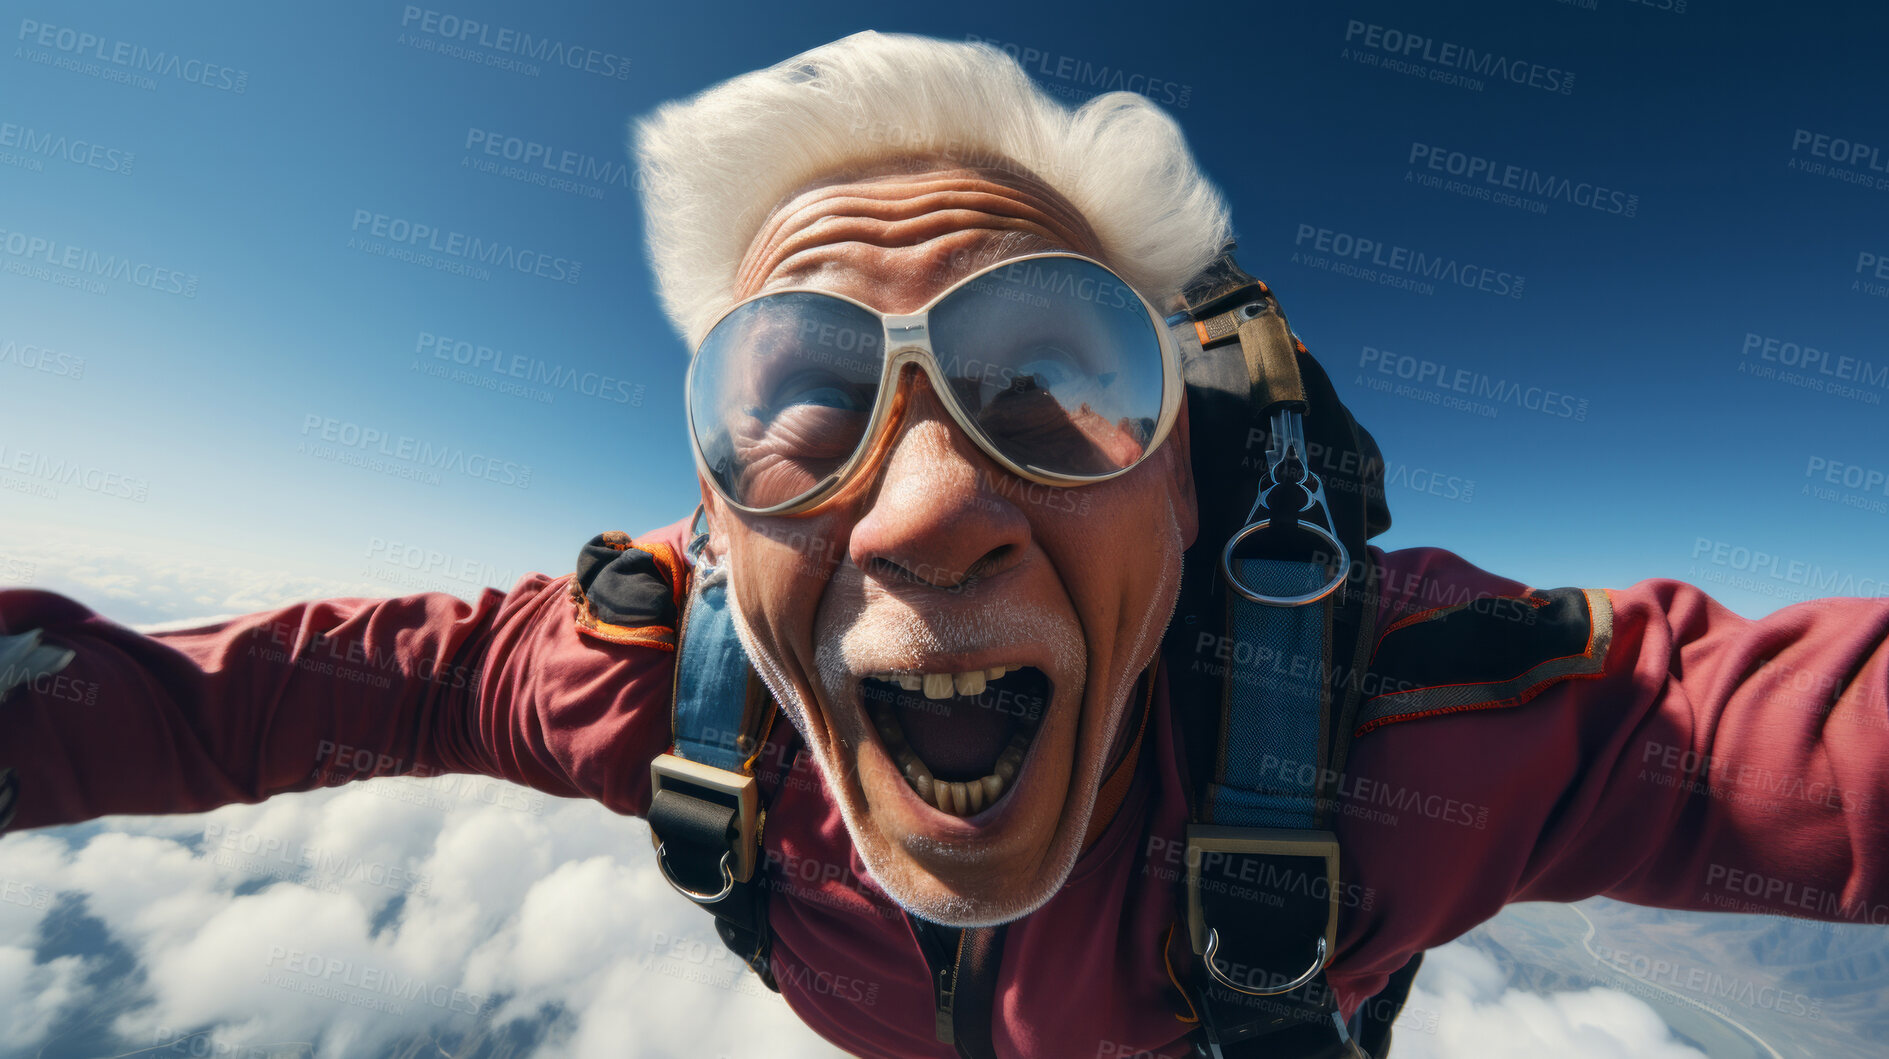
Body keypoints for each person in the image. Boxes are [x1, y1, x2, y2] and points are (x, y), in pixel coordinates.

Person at [3, 31, 1885, 1059]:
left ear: (1187, 484)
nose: (924, 507)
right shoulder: (663, 672)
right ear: (720, 515)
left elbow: (1783, 741)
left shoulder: (1384, 717)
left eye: (1059, 386)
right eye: (799, 403)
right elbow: (246, 700)